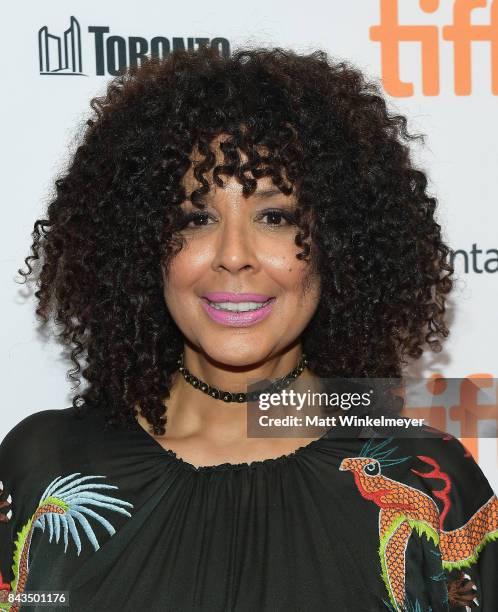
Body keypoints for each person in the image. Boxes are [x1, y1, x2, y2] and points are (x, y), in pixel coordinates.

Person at [0, 46, 496, 612]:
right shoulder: (44, 472)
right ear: (139, 248)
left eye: (276, 217)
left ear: (340, 244)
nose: (234, 257)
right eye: (196, 218)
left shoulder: (428, 484)